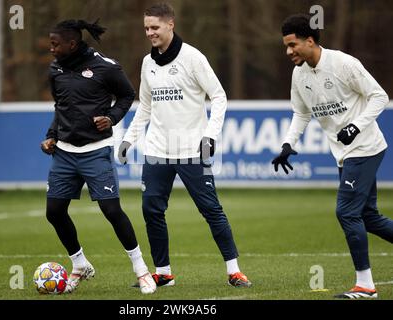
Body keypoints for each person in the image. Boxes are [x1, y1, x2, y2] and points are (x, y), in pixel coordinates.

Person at [118, 3, 251, 288]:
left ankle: (234, 270)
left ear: (170, 25)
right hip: (156, 151)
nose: (150, 33)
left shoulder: (193, 58)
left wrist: (210, 135)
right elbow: (145, 107)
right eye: (146, 28)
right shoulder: (147, 63)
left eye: (155, 27)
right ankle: (163, 272)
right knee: (151, 210)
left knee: (211, 210)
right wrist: (129, 138)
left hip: (192, 149)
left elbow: (218, 97)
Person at [273, 13, 393, 299]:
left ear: (310, 41)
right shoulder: (299, 74)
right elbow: (301, 112)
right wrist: (288, 144)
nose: (289, 52)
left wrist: (355, 126)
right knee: (369, 217)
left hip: (364, 147)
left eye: (293, 45)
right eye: (286, 47)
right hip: (344, 153)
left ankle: (365, 286)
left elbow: (379, 96)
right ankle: (365, 284)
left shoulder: (343, 64)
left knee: (346, 212)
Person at [40, 19, 156, 294]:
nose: (51, 49)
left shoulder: (106, 66)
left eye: (56, 44)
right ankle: (79, 264)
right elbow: (61, 106)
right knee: (54, 212)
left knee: (111, 211)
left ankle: (141, 270)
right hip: (64, 153)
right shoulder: (55, 69)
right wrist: (51, 135)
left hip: (95, 152)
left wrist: (112, 118)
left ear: (72, 43)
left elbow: (128, 96)